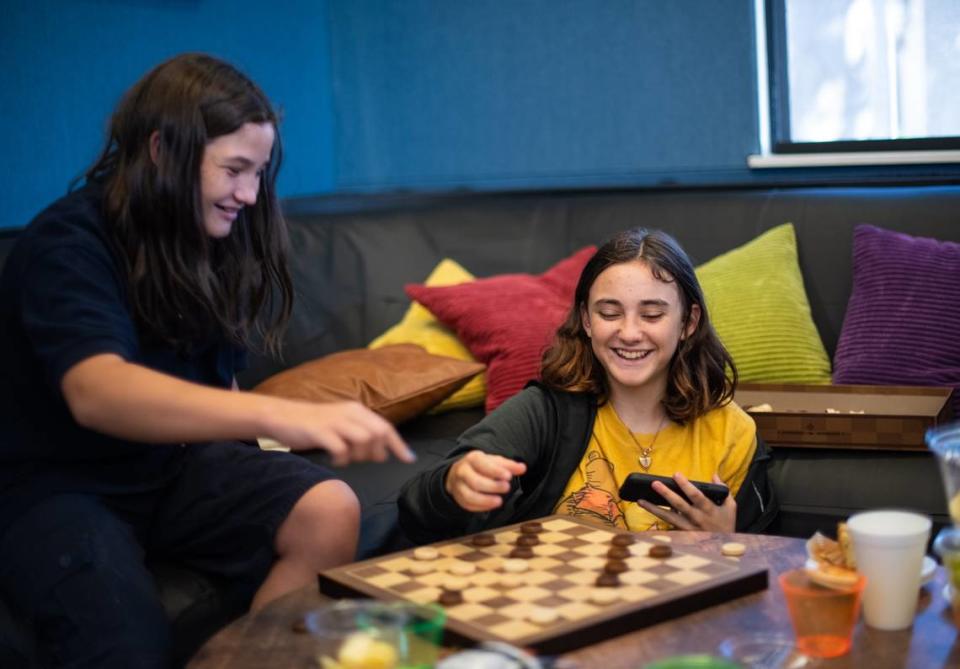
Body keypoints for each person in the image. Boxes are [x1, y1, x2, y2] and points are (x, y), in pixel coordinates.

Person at [0, 53, 414, 667]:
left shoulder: (207, 237)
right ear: (163, 151)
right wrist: (281, 415)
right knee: (126, 641)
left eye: (259, 172)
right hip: (59, 487)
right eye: (235, 170)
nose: (249, 194)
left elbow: (207, 380)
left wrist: (256, 435)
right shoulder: (67, 245)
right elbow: (99, 391)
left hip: (170, 473)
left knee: (328, 509)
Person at [398, 228, 777, 544]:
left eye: (652, 314)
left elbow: (768, 569)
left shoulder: (732, 432)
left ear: (688, 322)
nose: (629, 333)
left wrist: (728, 540)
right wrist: (454, 484)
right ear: (587, 320)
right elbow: (416, 504)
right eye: (609, 313)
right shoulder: (545, 412)